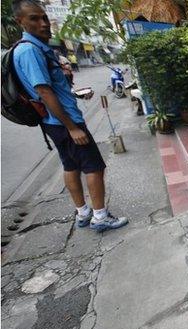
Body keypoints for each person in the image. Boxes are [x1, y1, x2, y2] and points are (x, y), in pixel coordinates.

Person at [12, 0, 128, 232]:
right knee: (94, 167)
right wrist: (72, 127)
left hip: (53, 121)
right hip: (64, 122)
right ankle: (100, 216)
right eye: (34, 18)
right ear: (20, 21)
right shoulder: (29, 51)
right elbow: (43, 91)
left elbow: (50, 88)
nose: (43, 23)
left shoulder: (33, 49)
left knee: (70, 166)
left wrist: (74, 94)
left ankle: (83, 213)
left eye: (44, 17)